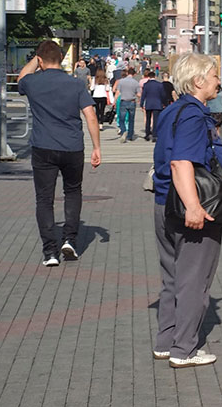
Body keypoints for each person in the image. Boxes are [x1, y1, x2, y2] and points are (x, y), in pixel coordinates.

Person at [151, 53, 222, 368]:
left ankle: (166, 341)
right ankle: (184, 349)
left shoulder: (172, 110)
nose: (218, 82)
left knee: (172, 275)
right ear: (198, 81)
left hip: (163, 202)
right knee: (194, 280)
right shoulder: (196, 115)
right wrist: (194, 207)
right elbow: (181, 161)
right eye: (213, 77)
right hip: (191, 206)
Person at [17, 40, 102, 266]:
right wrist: (97, 147)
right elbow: (91, 116)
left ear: (41, 61)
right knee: (73, 192)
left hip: (43, 148)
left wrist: (37, 59)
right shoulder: (75, 84)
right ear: (62, 60)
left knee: (44, 200)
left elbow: (21, 77)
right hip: (72, 147)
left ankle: (50, 253)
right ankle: (70, 241)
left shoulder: (33, 82)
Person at [141, 70, 167, 141]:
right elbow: (163, 95)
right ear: (155, 77)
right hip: (157, 104)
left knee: (148, 119)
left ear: (149, 77)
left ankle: (147, 134)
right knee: (156, 120)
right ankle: (155, 135)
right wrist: (164, 103)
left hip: (148, 104)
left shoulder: (146, 85)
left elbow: (143, 95)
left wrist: (141, 103)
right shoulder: (159, 85)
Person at [116, 67, 140, 142]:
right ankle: (130, 135)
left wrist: (114, 102)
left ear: (127, 73)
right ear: (134, 74)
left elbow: (117, 92)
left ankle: (123, 131)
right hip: (132, 101)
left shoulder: (121, 81)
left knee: (121, 119)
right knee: (131, 119)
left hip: (123, 101)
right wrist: (139, 99)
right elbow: (139, 94)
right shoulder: (136, 82)